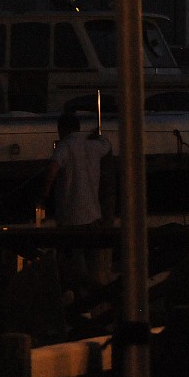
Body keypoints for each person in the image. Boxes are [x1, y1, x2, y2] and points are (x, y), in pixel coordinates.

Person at [39, 112, 113, 292]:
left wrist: (44, 194)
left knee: (73, 270)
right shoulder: (93, 147)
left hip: (70, 219)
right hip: (93, 217)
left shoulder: (64, 146)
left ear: (61, 129)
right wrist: (96, 135)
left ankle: (78, 307)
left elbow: (53, 167)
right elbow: (107, 144)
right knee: (93, 267)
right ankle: (96, 304)